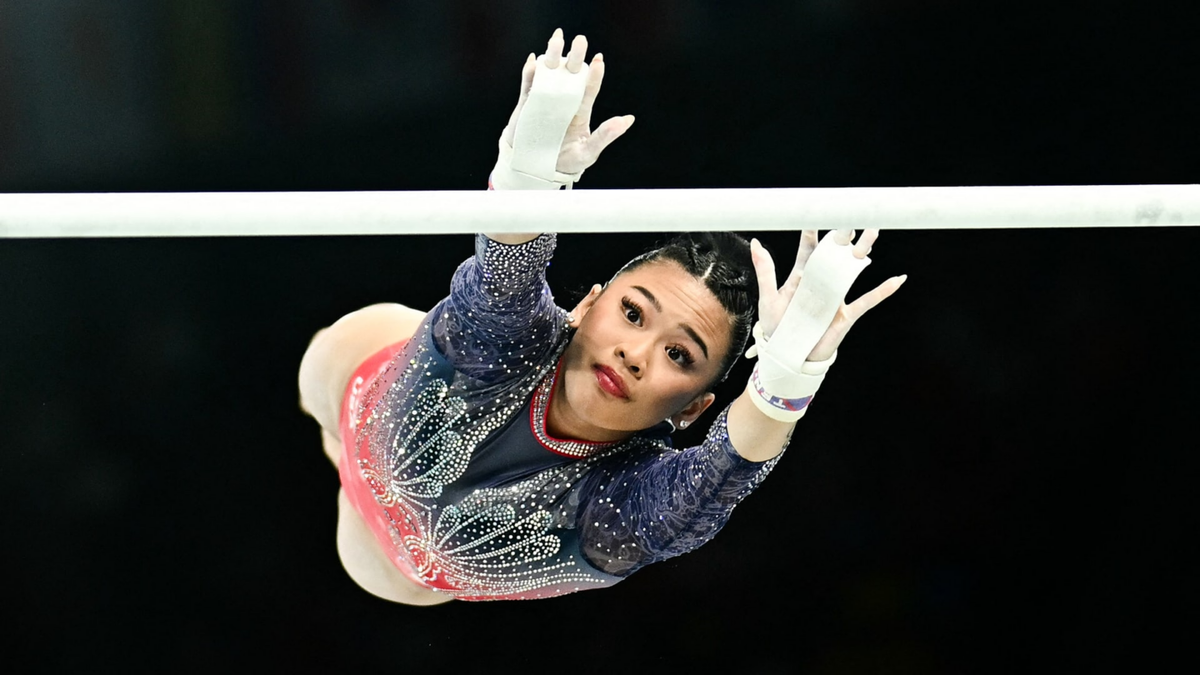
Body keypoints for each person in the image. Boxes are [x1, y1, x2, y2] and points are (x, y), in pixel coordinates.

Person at [297, 28, 906, 605]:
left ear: (695, 407)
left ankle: (341, 462)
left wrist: (785, 378)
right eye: (634, 313)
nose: (634, 353)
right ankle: (335, 445)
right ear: (586, 305)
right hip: (350, 377)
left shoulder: (623, 507)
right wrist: (526, 177)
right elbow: (504, 273)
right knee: (327, 424)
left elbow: (725, 471)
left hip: (391, 566)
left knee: (375, 544)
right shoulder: (506, 341)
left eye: (679, 355)